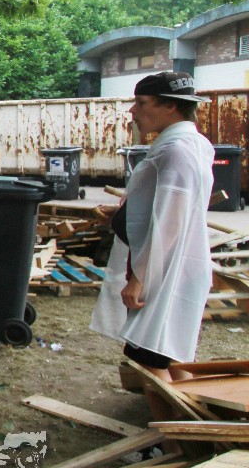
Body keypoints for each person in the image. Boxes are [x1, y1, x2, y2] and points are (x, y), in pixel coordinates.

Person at [90, 71, 213, 382]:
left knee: (148, 356)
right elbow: (166, 205)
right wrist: (123, 214)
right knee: (170, 352)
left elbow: (170, 221)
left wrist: (140, 279)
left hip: (164, 269)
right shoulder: (193, 144)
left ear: (170, 106)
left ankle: (173, 414)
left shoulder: (176, 151)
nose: (133, 110)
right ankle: (191, 411)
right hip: (175, 265)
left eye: (142, 102)